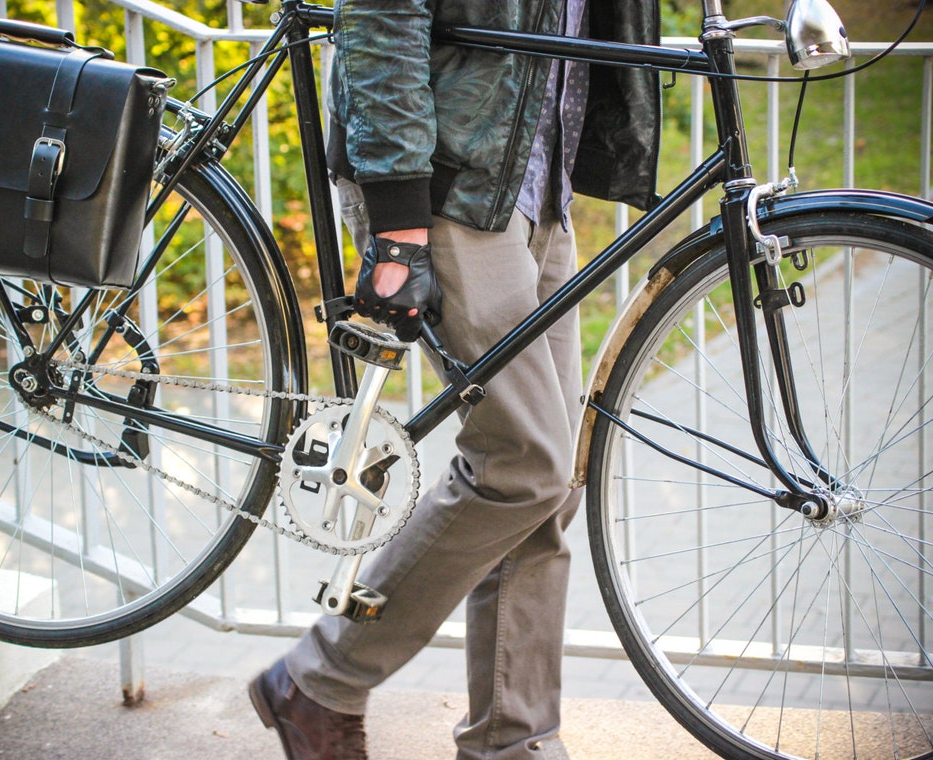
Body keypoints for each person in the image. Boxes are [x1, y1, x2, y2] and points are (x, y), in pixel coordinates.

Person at [250, 1, 661, 757]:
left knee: (541, 491)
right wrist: (400, 219)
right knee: (524, 466)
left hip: (535, 184)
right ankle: (320, 679)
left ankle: (515, 739)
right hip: (446, 186)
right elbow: (380, 15)